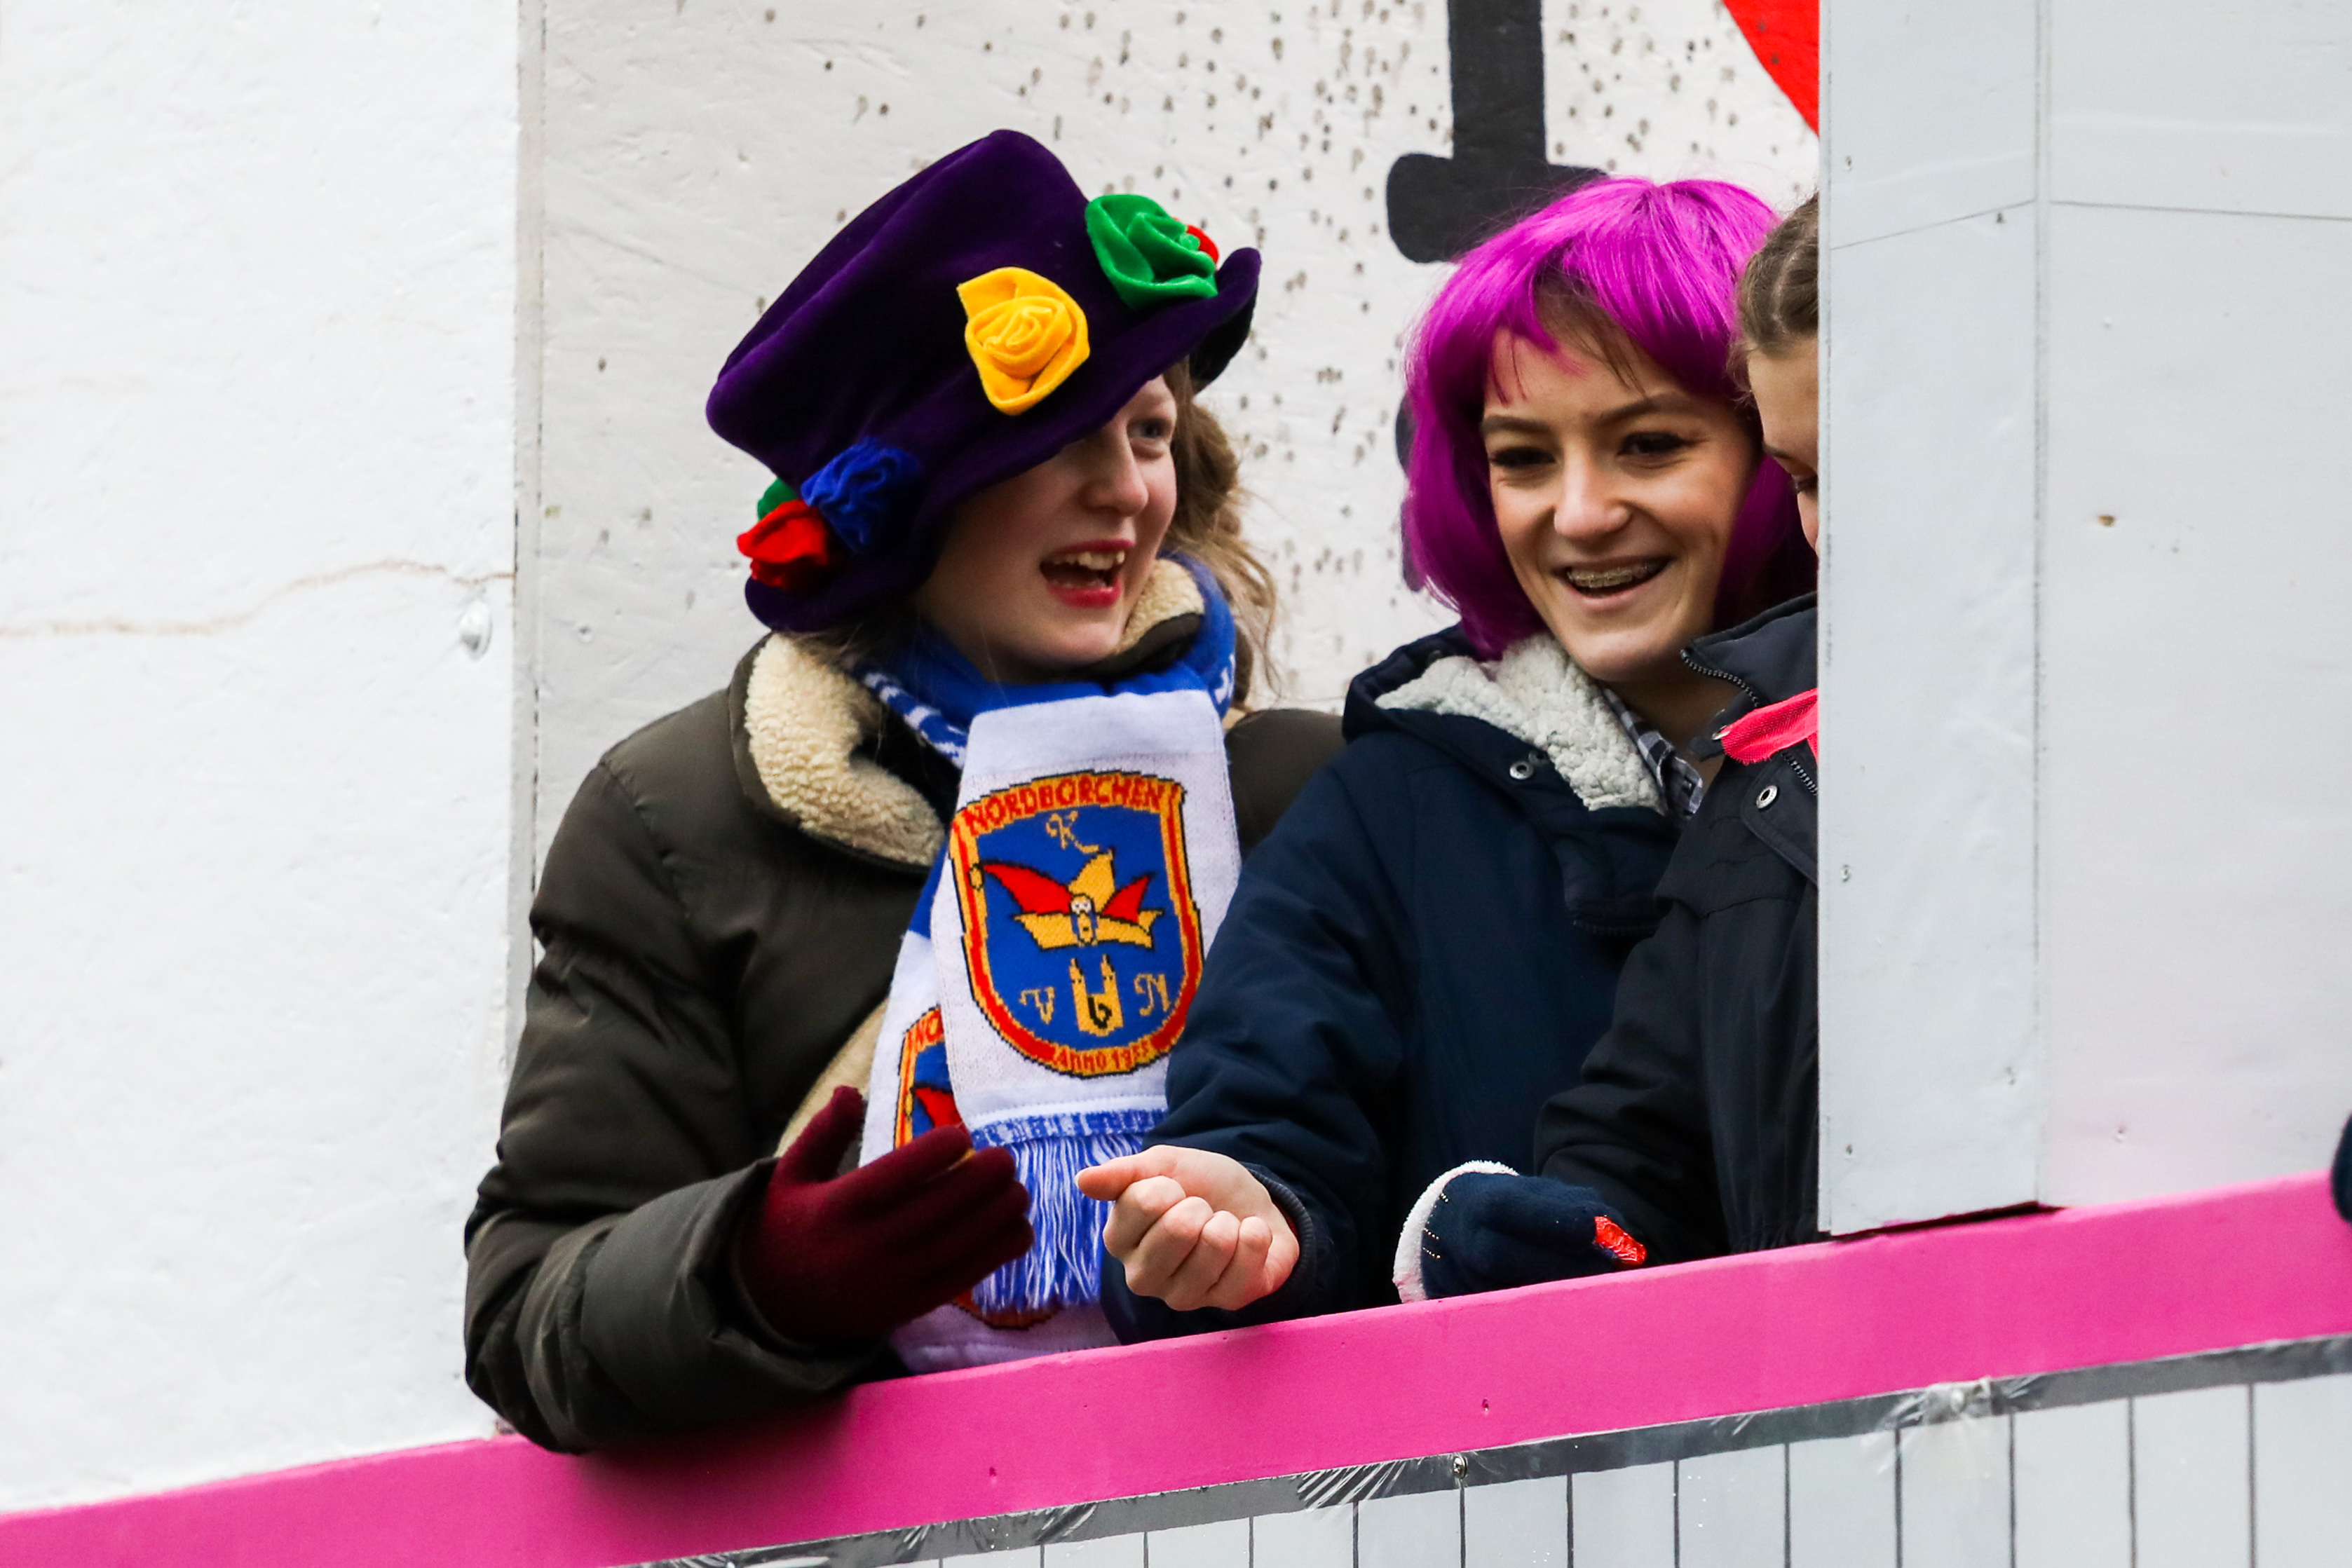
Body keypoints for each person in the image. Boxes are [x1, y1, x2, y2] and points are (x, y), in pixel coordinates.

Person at [463, 130, 1341, 1452]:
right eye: (1056, 437)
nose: (1124, 489)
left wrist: (1295, 1236)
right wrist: (756, 1276)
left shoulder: (1297, 786)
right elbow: (527, 1315)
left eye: (1150, 430)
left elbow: (1419, 1200)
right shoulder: (679, 818)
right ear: (911, 500)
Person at [1077, 177, 1814, 1332]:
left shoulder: (1930, 752)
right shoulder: (1385, 808)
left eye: (1649, 444)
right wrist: (1237, 1226)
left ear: (1785, 443)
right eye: (1523, 458)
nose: (1579, 512)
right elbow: (1259, 1140)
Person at [1401, 194, 1824, 1297]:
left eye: (1649, 444)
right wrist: (1563, 1231)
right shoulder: (1769, 774)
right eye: (1811, 479)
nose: (1584, 512)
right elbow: (1641, 1144)